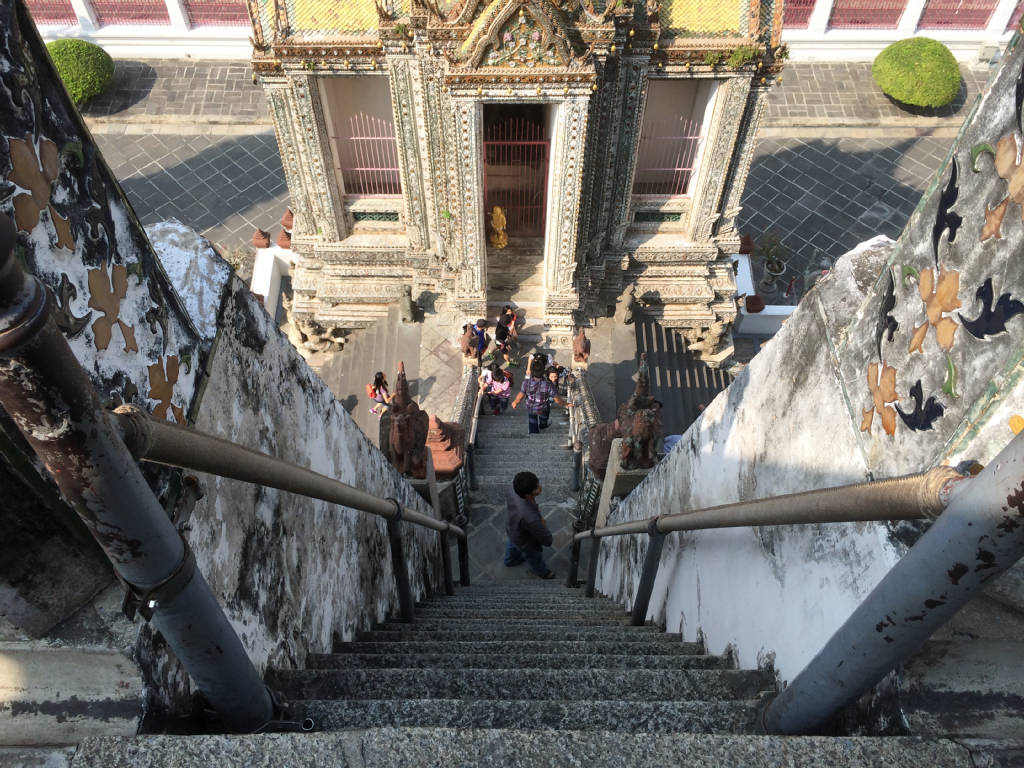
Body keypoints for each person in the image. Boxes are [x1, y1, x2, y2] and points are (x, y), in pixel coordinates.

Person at [504, 471, 555, 579]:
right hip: (526, 542)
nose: (540, 487)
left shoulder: (512, 489)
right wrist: (543, 524)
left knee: (512, 545)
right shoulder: (530, 518)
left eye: (537, 483)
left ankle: (509, 561)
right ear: (527, 495)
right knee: (534, 558)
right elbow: (548, 541)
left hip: (512, 529)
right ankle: (543, 573)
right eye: (536, 487)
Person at [511, 357, 573, 433]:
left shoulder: (526, 382)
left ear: (531, 371)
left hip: (530, 406)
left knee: (532, 420)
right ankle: (543, 425)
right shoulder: (548, 384)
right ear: (543, 372)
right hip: (543, 406)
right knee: (544, 416)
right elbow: (558, 401)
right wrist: (566, 404)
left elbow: (521, 394)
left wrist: (515, 402)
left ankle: (534, 433)